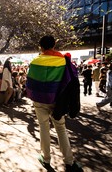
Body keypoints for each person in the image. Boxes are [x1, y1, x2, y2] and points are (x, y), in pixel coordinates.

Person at [26, 35, 83, 172]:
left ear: (41, 47)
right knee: (61, 129)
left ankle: (46, 159)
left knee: (43, 128)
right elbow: (70, 81)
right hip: (58, 102)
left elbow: (30, 82)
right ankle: (69, 161)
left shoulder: (35, 61)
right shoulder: (63, 61)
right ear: (54, 45)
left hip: (39, 101)